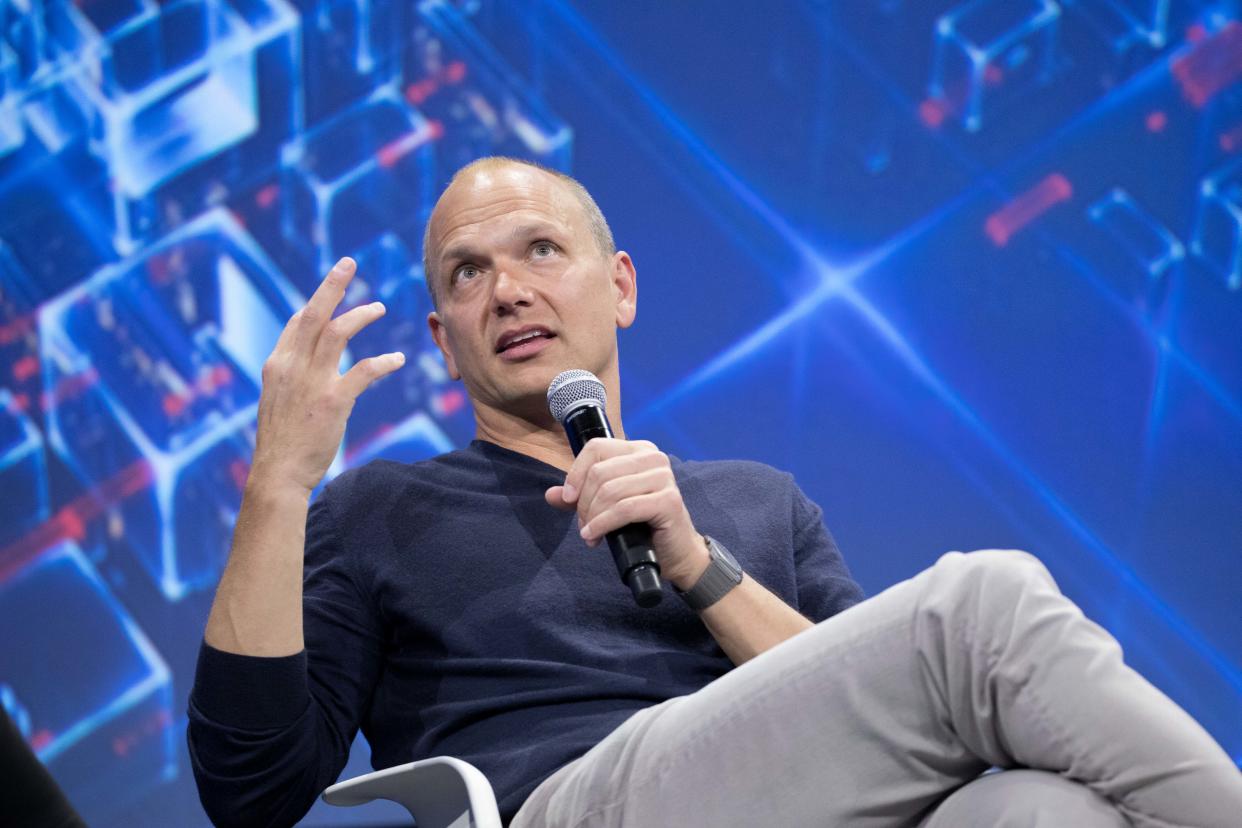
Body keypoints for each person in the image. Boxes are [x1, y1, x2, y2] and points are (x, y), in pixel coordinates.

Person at [188, 157, 1242, 827]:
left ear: (622, 286)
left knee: (1039, 810)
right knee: (985, 604)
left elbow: (870, 703)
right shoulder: (381, 511)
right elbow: (255, 790)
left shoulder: (754, 503)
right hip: (567, 804)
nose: (505, 288)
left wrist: (697, 562)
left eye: (539, 250)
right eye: (466, 275)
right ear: (444, 344)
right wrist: (280, 484)